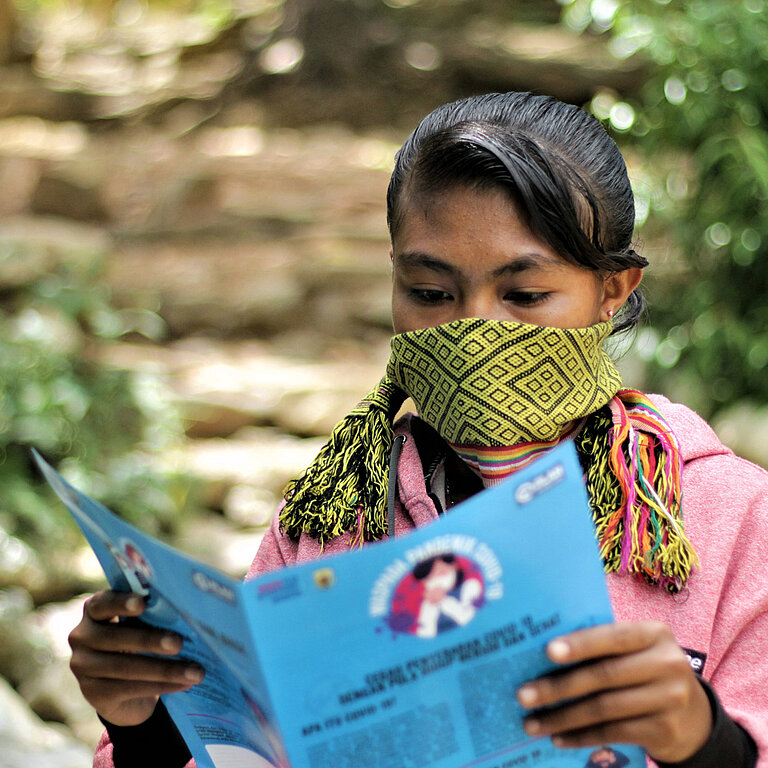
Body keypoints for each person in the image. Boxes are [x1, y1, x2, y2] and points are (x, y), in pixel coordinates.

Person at [68, 92, 768, 768]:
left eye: (524, 295)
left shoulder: (734, 521)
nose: (475, 332)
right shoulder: (330, 522)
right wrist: (145, 725)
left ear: (611, 292)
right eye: (432, 293)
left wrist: (703, 741)